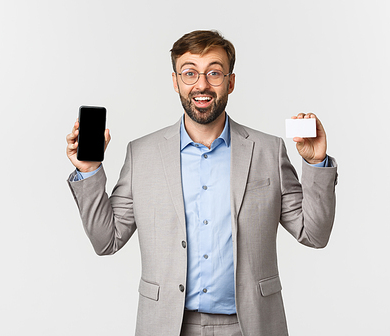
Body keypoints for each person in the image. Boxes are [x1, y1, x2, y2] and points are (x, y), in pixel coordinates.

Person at [66, 30, 338, 336]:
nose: (202, 84)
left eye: (214, 72)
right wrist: (89, 170)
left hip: (251, 325)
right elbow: (107, 240)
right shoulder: (141, 154)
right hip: (168, 325)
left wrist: (315, 163)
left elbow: (314, 234)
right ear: (175, 81)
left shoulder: (268, 151)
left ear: (231, 82)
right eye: (190, 73)